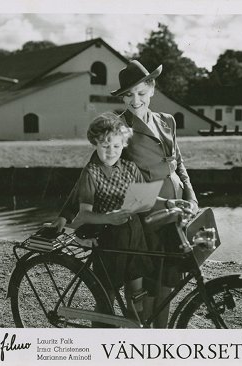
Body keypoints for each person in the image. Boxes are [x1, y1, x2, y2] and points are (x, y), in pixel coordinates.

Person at [53, 60, 198, 328]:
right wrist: (65, 214)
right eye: (129, 95)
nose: (135, 100)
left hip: (176, 210)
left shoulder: (167, 121)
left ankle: (161, 337)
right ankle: (140, 338)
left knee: (168, 281)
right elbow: (92, 169)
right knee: (148, 286)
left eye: (141, 93)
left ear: (152, 89)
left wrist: (191, 194)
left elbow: (178, 162)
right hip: (147, 212)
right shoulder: (119, 129)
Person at [71, 111, 153, 323]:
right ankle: (100, 341)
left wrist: (170, 203)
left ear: (123, 145)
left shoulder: (130, 168)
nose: (111, 152)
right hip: (109, 239)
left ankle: (135, 334)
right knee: (106, 297)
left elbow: (145, 200)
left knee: (137, 295)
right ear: (95, 143)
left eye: (116, 146)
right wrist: (109, 218)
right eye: (105, 146)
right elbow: (84, 215)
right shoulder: (91, 173)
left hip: (135, 236)